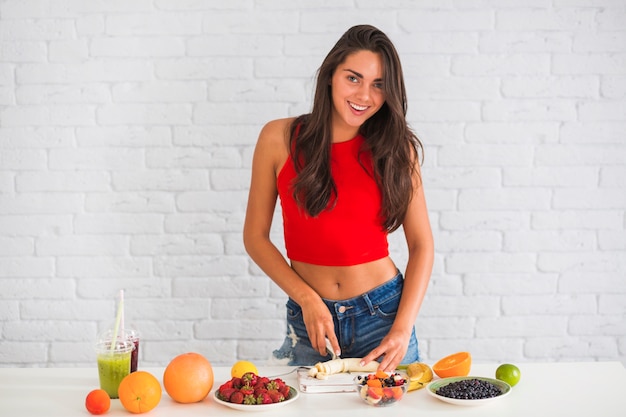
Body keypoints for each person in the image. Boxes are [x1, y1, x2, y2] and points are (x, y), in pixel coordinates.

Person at [243, 24, 433, 373]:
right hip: (312, 321)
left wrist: (403, 328)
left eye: (378, 85)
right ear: (330, 75)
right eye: (353, 78)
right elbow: (254, 237)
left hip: (385, 316)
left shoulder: (397, 149)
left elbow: (422, 245)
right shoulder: (277, 138)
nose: (365, 95)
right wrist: (307, 299)